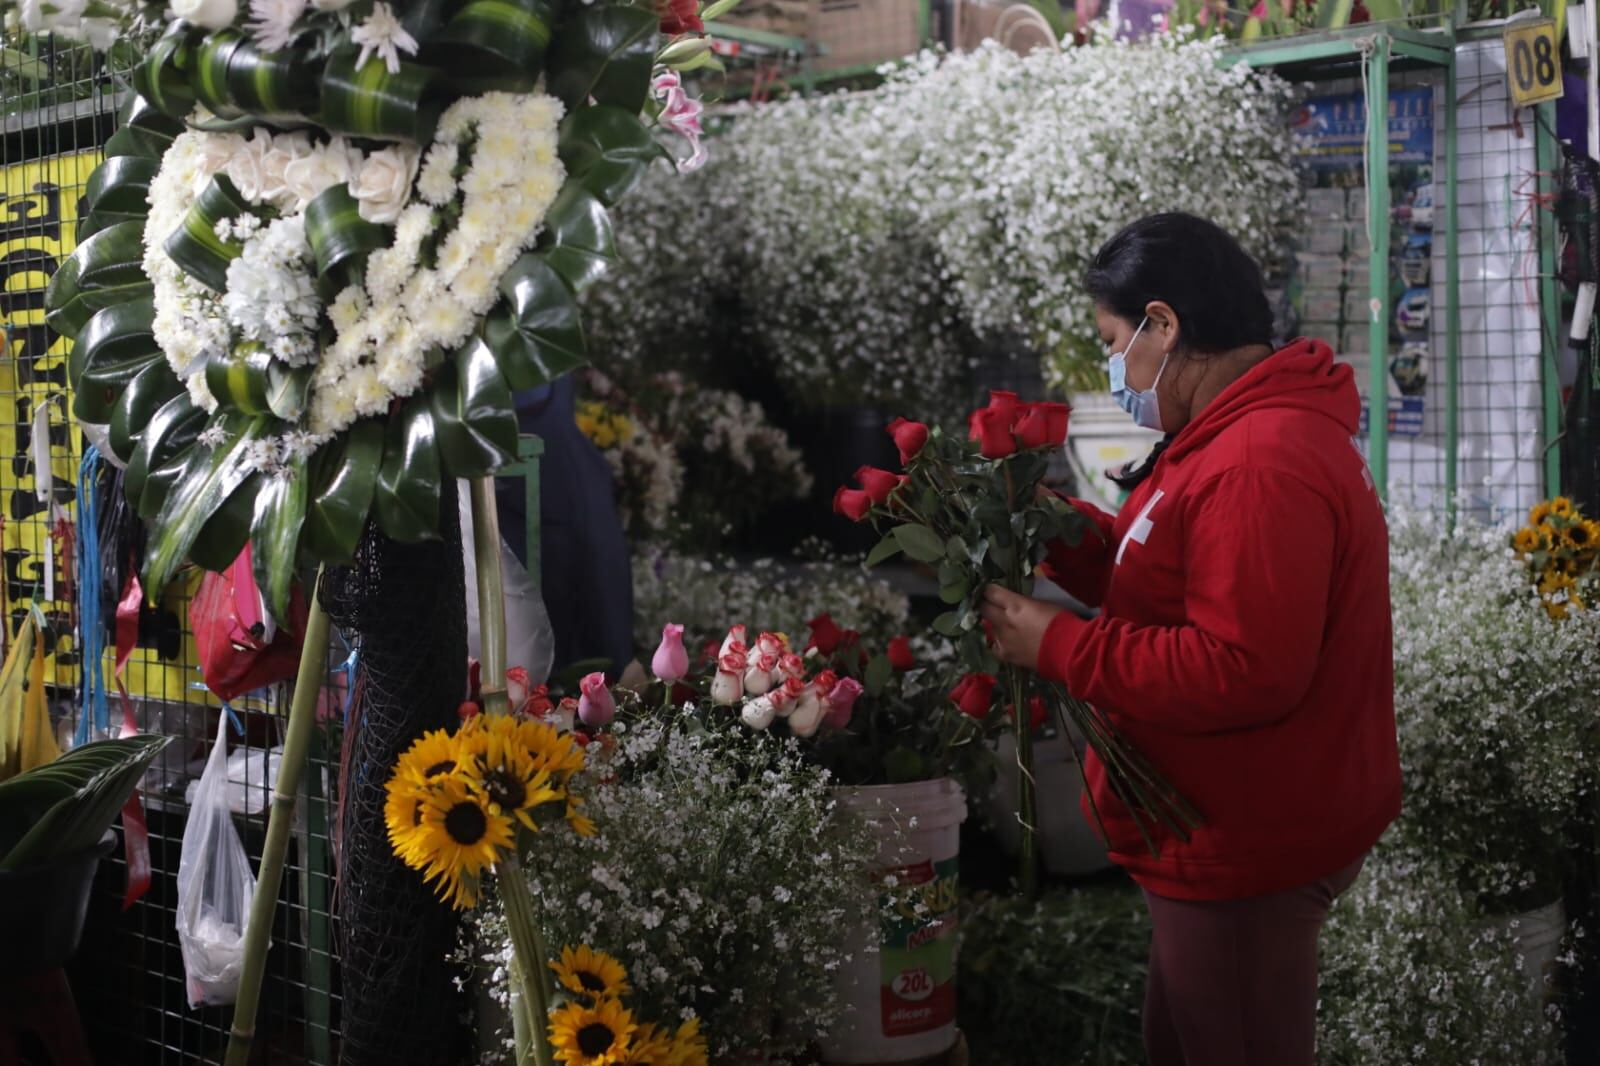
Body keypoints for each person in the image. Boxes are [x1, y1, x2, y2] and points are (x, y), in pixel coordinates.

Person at [978, 212, 1401, 1066]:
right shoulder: (1221, 436)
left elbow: (1244, 668)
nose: (1112, 370)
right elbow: (1170, 573)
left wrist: (1062, 646)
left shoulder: (1258, 460)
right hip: (1217, 828)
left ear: (1163, 325)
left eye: (1112, 341)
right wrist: (1058, 531)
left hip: (1248, 836)